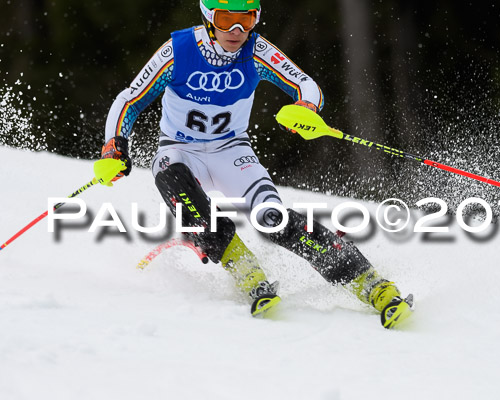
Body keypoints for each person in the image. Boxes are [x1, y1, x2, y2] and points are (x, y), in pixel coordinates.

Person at [100, 0, 413, 328]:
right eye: (225, 20)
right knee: (170, 173)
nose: (236, 31)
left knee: (273, 219)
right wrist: (114, 147)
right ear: (208, 17)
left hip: (231, 151)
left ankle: (372, 285)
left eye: (246, 20)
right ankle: (246, 270)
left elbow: (306, 84)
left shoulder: (256, 50)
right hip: (181, 150)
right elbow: (129, 99)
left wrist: (305, 108)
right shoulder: (178, 51)